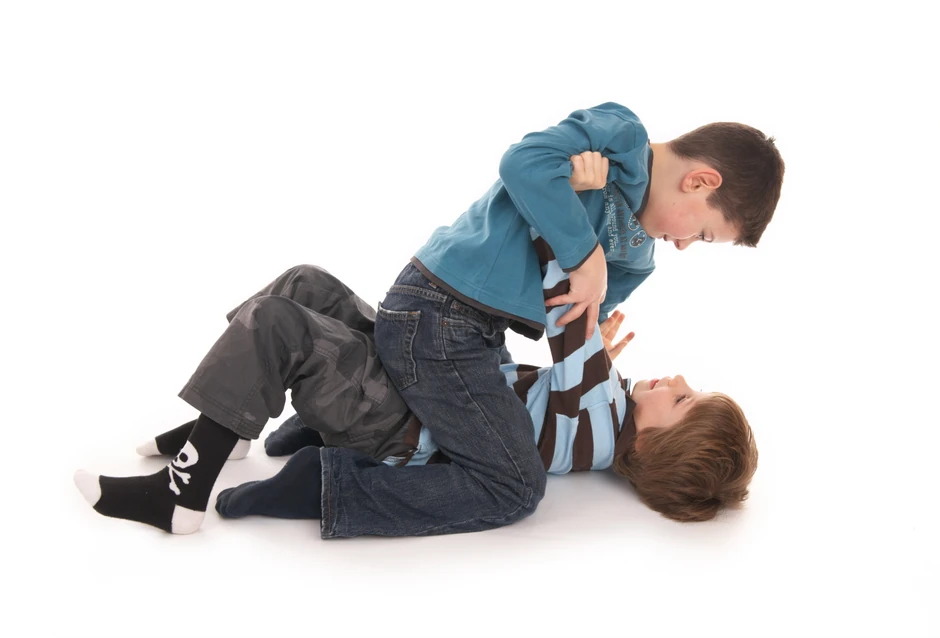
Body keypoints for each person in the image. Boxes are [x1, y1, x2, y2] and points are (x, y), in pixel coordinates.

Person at [74, 103, 781, 536]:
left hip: (450, 336)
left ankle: (209, 456)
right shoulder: (620, 138)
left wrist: (588, 316)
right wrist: (582, 254)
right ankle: (210, 458)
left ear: (655, 442)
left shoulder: (637, 268)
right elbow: (525, 168)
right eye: (702, 233)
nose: (686, 246)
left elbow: (569, 306)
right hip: (444, 321)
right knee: (514, 485)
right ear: (700, 180)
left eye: (682, 399)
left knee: (300, 292)